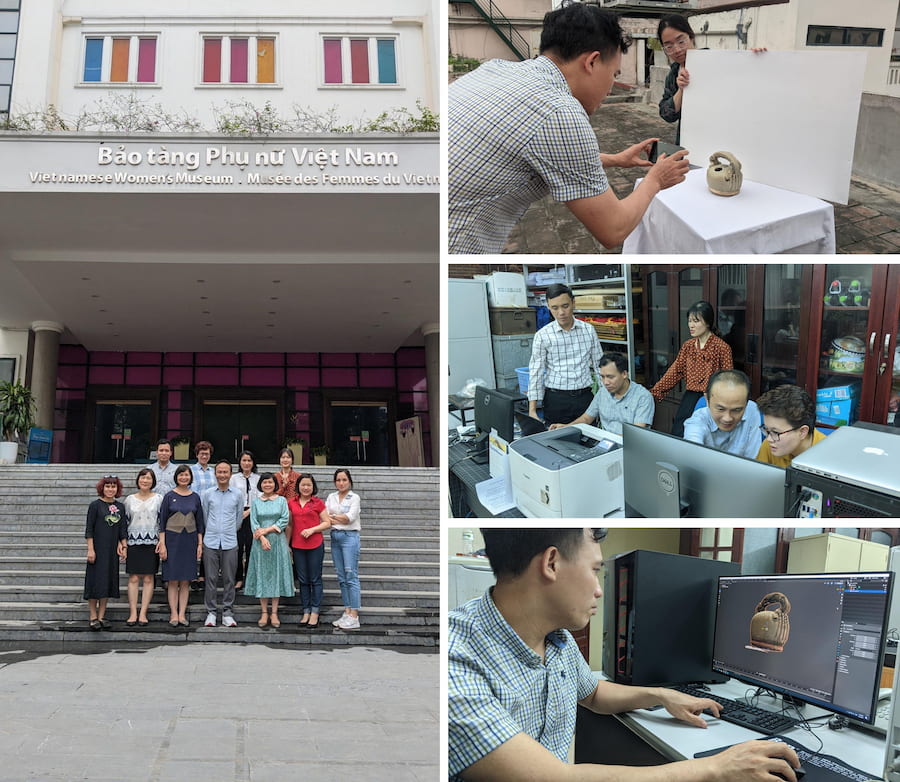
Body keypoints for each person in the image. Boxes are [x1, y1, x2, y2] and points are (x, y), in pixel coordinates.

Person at [448, 527, 803, 782]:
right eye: (595, 570)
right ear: (552, 563)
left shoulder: (556, 638)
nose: (601, 590)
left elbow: (593, 693)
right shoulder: (456, 663)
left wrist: (659, 695)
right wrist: (717, 768)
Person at [448, 3, 690, 254]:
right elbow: (613, 229)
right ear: (592, 62)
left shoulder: (494, 69)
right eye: (613, 73)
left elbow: (540, 153)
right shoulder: (559, 111)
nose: (610, 88)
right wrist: (655, 180)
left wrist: (614, 159)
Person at [650, 301, 733, 437]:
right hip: (690, 396)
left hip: (713, 399)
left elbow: (729, 380)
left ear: (707, 322)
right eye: (689, 321)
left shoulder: (722, 348)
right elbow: (675, 371)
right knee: (679, 430)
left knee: (705, 435)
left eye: (696, 321)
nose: (691, 325)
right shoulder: (688, 346)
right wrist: (655, 392)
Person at [527, 284, 604, 426]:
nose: (561, 312)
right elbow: (535, 372)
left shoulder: (588, 330)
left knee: (589, 441)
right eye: (555, 308)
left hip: (585, 398)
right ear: (548, 307)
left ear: (573, 303)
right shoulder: (542, 336)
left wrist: (607, 399)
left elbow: (600, 366)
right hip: (556, 400)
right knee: (556, 444)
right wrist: (532, 410)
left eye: (565, 306)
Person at [548, 352, 654, 434]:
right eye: (602, 377)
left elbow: (635, 435)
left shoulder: (643, 397)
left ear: (624, 374)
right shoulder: (603, 391)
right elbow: (586, 418)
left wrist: (607, 440)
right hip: (605, 443)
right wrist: (567, 427)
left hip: (629, 448)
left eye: (610, 377)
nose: (605, 382)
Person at [158, 464, 204, 627]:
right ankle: (173, 614)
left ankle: (182, 614)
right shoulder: (169, 496)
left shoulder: (195, 497)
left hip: (189, 541)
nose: (184, 477)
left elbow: (200, 523)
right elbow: (162, 522)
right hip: (172, 541)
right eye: (181, 475)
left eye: (187, 475)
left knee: (185, 581)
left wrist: (200, 544)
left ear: (191, 477)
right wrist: (162, 544)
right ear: (176, 477)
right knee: (172, 580)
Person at [246, 472, 294, 629]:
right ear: (260, 484)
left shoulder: (281, 501)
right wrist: (261, 538)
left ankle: (274, 612)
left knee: (276, 574)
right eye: (265, 482)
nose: (268, 485)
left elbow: (284, 519)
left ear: (275, 484)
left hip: (277, 542)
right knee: (263, 573)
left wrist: (266, 531)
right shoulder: (256, 502)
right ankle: (264, 612)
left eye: (270, 482)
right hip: (260, 544)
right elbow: (253, 522)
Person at [200, 459, 243, 628]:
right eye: (220, 472)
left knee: (229, 579)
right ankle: (211, 612)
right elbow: (205, 516)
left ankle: (227, 612)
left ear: (230, 474)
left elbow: (239, 519)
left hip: (230, 541)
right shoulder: (208, 494)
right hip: (210, 541)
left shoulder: (238, 494)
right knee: (210, 578)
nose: (222, 475)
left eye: (226, 472)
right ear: (215, 473)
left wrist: (229, 531)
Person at [683, 369, 762, 459]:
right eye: (720, 409)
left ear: (746, 403)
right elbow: (692, 454)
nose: (727, 418)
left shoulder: (752, 410)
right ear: (707, 400)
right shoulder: (698, 421)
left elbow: (753, 460)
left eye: (736, 410)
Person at [286, 473, 331, 630]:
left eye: (309, 485)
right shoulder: (291, 502)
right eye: (303, 484)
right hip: (298, 546)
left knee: (315, 578)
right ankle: (305, 611)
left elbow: (327, 522)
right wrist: (287, 544)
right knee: (303, 580)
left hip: (315, 545)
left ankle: (315, 612)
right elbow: (290, 525)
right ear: (298, 486)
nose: (305, 488)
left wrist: (312, 530)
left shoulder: (317, 503)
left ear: (313, 487)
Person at [83, 475, 127, 630]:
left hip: (111, 551)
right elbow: (89, 529)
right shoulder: (95, 506)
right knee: (94, 582)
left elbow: (123, 529)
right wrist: (90, 549)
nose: (110, 489)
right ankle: (93, 616)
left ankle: (102, 616)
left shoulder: (120, 507)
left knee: (107, 582)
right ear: (102, 488)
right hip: (97, 549)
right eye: (107, 486)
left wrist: (123, 545)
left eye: (113, 486)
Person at [123, 468, 163, 626]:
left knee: (148, 578)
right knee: (133, 578)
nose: (145, 481)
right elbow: (124, 522)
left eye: (148, 478)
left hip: (152, 542)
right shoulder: (129, 500)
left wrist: (162, 540)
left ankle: (143, 613)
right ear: (138, 480)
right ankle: (133, 612)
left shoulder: (159, 498)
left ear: (153, 481)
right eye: (142, 478)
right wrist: (123, 543)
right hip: (133, 542)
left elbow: (162, 521)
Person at [756, 384, 827, 467]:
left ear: (802, 432)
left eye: (775, 432)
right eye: (767, 430)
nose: (769, 439)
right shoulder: (771, 445)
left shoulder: (827, 456)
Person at [325, 468, 361, 630]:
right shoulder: (331, 497)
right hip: (335, 537)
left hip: (350, 538)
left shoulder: (354, 498)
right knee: (341, 576)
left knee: (350, 574)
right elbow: (324, 517)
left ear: (349, 481)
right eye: (338, 480)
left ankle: (354, 614)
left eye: (344, 480)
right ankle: (347, 611)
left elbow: (349, 519)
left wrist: (333, 518)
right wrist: (335, 518)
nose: (341, 483)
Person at [657, 15, 697, 145]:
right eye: (669, 46)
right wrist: (681, 90)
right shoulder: (673, 74)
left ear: (691, 37)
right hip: (689, 142)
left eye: (681, 42)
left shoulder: (715, 61)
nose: (677, 50)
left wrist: (756, 58)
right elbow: (666, 114)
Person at [230, 449, 260, 590]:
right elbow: (230, 497)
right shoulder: (234, 478)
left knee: (250, 548)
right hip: (236, 514)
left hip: (253, 513)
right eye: (244, 460)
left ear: (253, 463)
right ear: (240, 462)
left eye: (249, 460)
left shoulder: (258, 479)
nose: (246, 463)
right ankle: (238, 578)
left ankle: (249, 578)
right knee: (237, 548)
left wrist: (249, 512)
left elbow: (261, 499)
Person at [189, 440, 215, 591]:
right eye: (202, 453)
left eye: (207, 453)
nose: (204, 456)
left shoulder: (214, 472)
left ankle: (203, 575)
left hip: (211, 512)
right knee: (193, 543)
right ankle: (192, 574)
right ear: (197, 454)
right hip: (193, 511)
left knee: (207, 544)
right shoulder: (190, 471)